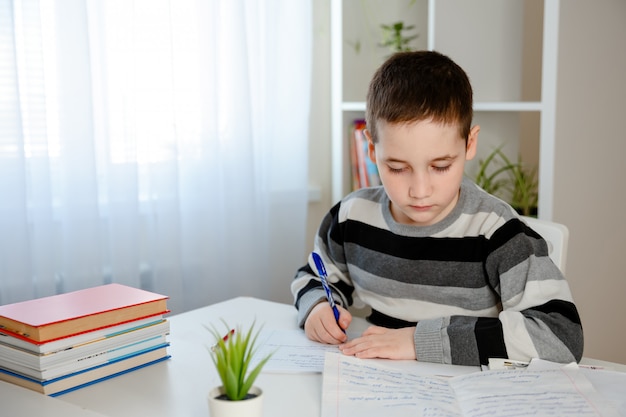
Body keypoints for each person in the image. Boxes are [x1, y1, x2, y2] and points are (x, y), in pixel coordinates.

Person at [291, 50, 583, 366]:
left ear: (469, 144)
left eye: (440, 166)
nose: (419, 191)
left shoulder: (499, 233)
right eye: (397, 167)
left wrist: (421, 342)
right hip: (377, 384)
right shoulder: (350, 218)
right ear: (372, 148)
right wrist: (318, 306)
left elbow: (560, 335)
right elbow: (317, 276)